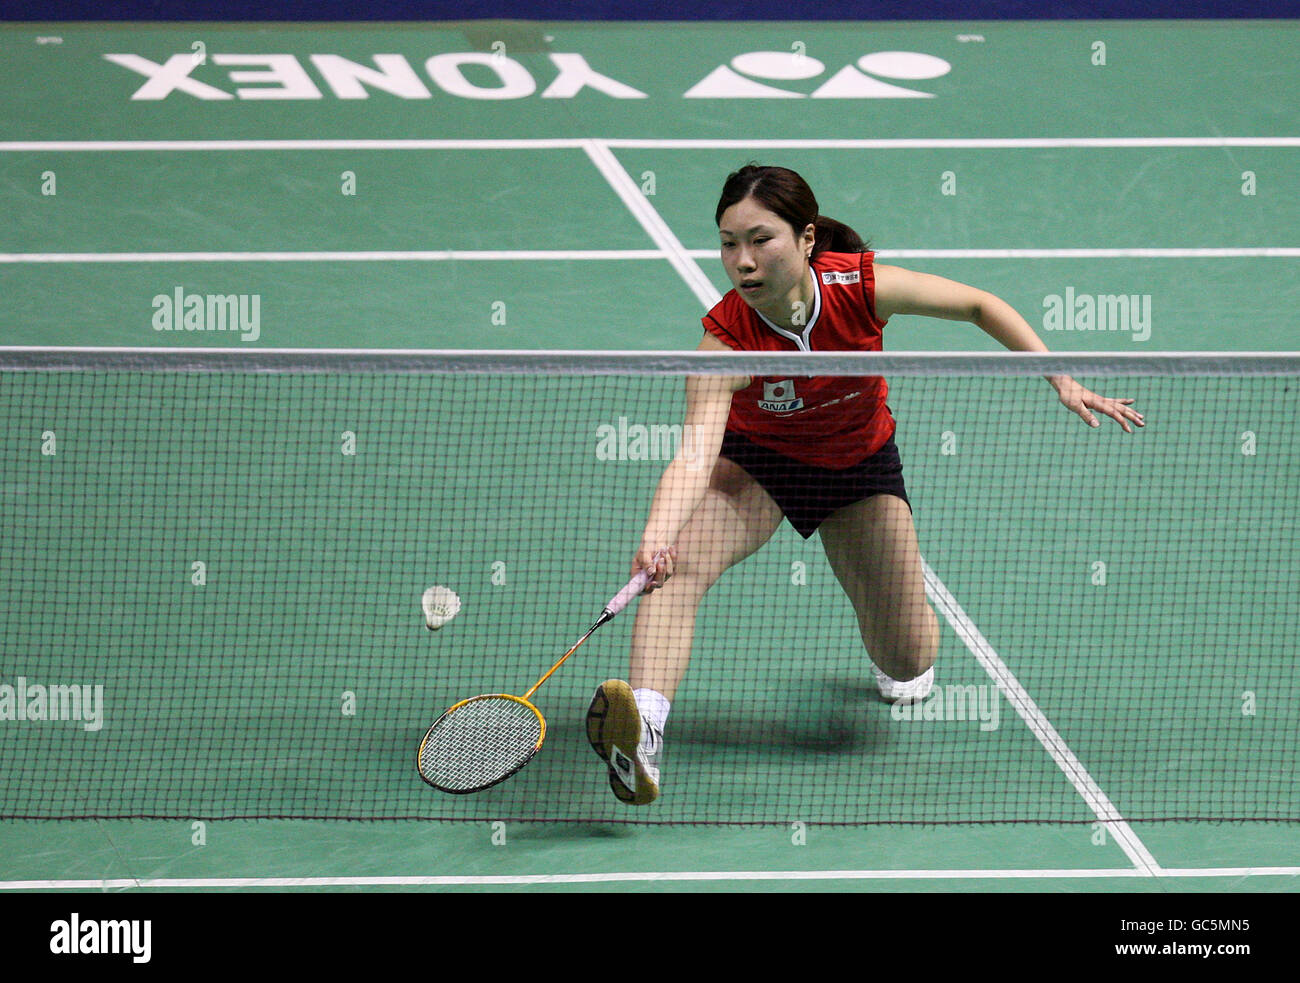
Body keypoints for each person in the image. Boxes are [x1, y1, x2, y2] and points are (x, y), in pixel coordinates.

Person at [585, 164, 1144, 806]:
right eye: (727, 242)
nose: (741, 261)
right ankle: (644, 734)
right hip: (759, 465)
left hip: (858, 466)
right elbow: (693, 455)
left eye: (760, 239)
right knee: (674, 571)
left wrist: (1062, 378)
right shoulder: (725, 343)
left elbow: (978, 305)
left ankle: (892, 650)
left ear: (806, 237)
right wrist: (658, 535)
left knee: (909, 662)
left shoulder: (859, 287)